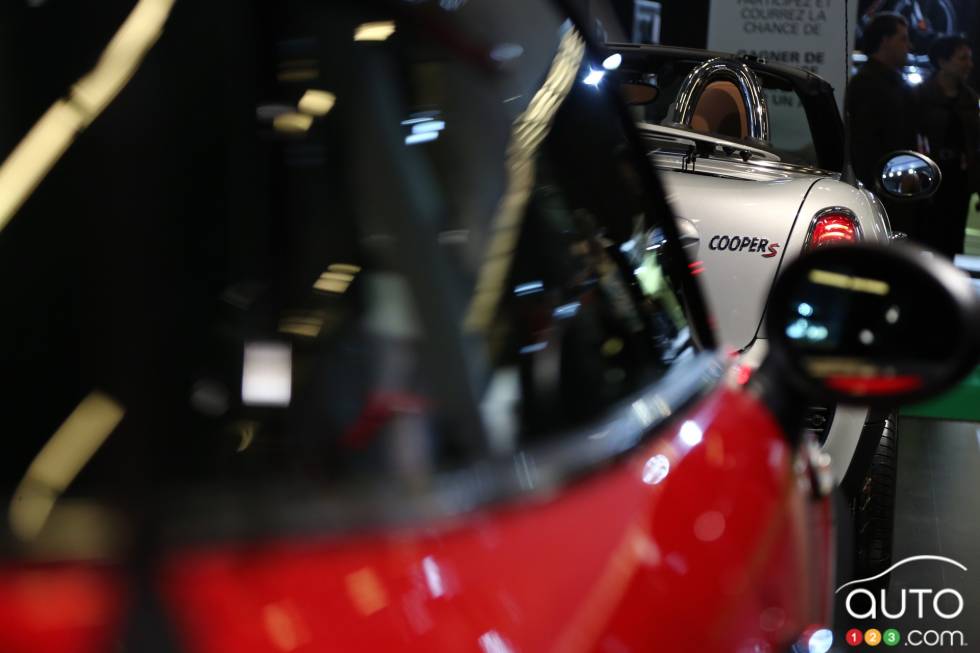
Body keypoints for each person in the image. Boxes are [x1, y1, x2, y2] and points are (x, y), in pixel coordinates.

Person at [847, 12, 919, 238]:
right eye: (903, 38)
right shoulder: (868, 84)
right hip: (883, 192)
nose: (909, 45)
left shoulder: (894, 83)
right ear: (885, 40)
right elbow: (864, 142)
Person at [917, 35, 980, 259]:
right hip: (927, 182)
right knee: (926, 237)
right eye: (962, 58)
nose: (969, 65)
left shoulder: (970, 99)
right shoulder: (921, 96)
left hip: (959, 181)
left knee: (951, 242)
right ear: (942, 62)